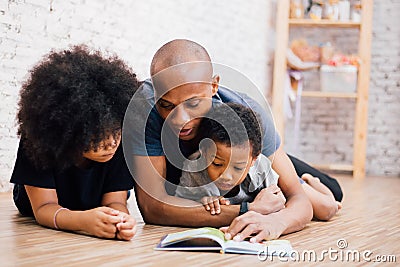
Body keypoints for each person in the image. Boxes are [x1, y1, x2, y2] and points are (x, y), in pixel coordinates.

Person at [126, 39, 343, 242]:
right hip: (200, 177)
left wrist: (275, 222)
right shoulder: (144, 109)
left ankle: (316, 186)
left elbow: (298, 201)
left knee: (325, 204)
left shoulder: (247, 114)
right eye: (166, 105)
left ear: (213, 87)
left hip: (245, 162)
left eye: (193, 104)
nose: (180, 120)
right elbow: (153, 208)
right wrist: (248, 211)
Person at [10, 45, 139, 240]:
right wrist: (83, 222)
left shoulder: (119, 146)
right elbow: (44, 208)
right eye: (97, 135)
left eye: (116, 131)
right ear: (68, 129)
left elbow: (115, 201)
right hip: (40, 204)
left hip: (90, 205)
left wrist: (120, 219)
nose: (111, 143)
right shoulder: (40, 141)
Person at [175, 103, 340, 223]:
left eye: (238, 167)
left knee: (327, 209)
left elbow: (282, 201)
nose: (226, 176)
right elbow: (180, 204)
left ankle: (311, 181)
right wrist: (201, 202)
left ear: (253, 160)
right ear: (204, 152)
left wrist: (273, 208)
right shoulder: (193, 169)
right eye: (217, 164)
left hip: (284, 181)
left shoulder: (261, 168)